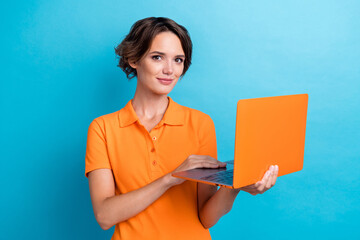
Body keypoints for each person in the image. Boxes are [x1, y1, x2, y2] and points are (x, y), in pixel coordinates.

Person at [85, 17, 279, 240]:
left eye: (178, 60)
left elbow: (205, 217)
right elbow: (104, 215)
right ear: (133, 59)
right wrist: (171, 178)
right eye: (157, 57)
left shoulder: (200, 124)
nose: (169, 70)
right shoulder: (103, 129)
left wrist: (234, 186)